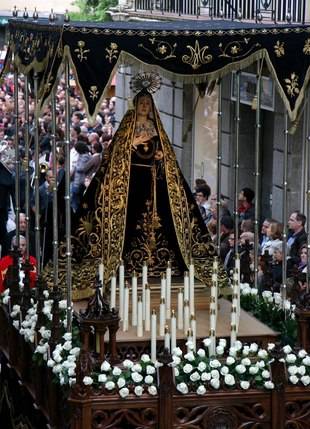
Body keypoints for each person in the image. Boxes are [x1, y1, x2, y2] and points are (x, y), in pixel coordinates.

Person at [75, 88, 219, 284]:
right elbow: (114, 155)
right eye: (141, 103)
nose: (144, 106)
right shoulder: (128, 126)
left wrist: (160, 157)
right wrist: (131, 145)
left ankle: (159, 264)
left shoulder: (154, 126)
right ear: (135, 104)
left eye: (147, 104)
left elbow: (165, 154)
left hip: (153, 181)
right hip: (130, 182)